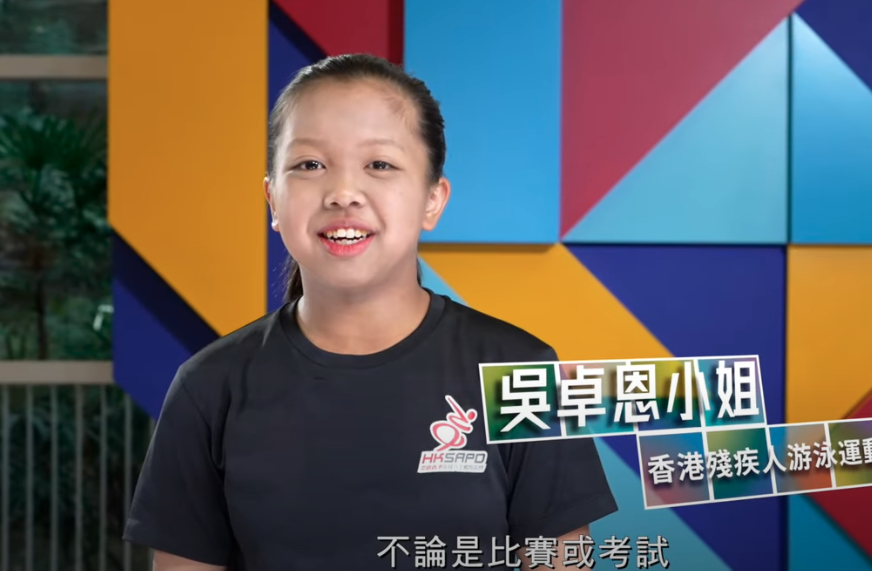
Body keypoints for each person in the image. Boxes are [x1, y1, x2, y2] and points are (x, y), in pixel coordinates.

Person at [121, 53, 619, 570]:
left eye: (379, 164)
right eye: (310, 165)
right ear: (273, 199)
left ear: (433, 199)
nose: (343, 194)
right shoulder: (209, 387)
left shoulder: (521, 372)